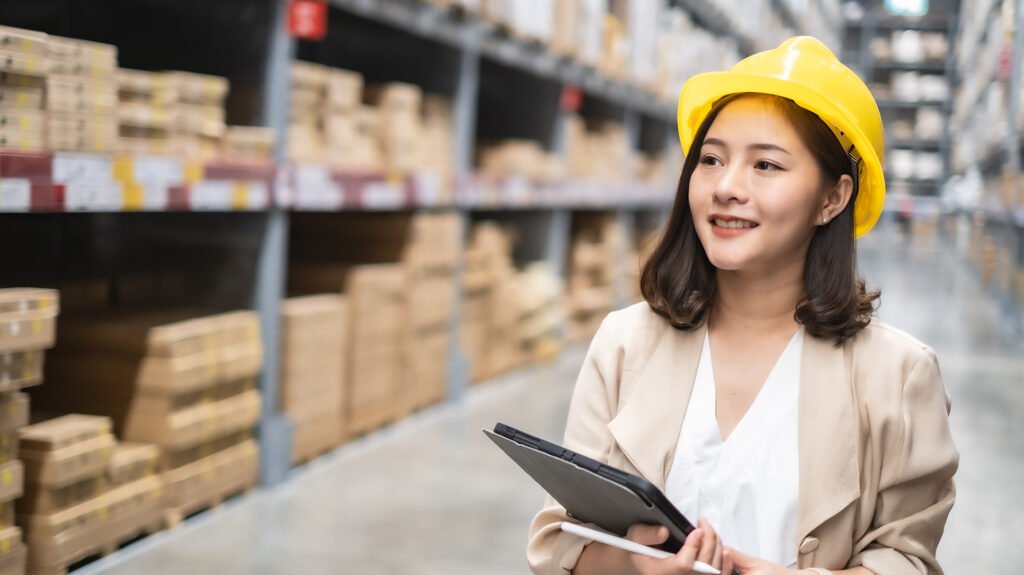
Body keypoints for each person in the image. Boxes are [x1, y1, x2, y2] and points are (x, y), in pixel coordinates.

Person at [526, 37, 958, 575]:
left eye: (766, 166)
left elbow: (906, 557)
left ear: (833, 198)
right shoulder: (624, 343)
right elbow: (562, 543)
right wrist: (634, 567)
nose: (726, 187)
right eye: (711, 159)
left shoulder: (896, 375)